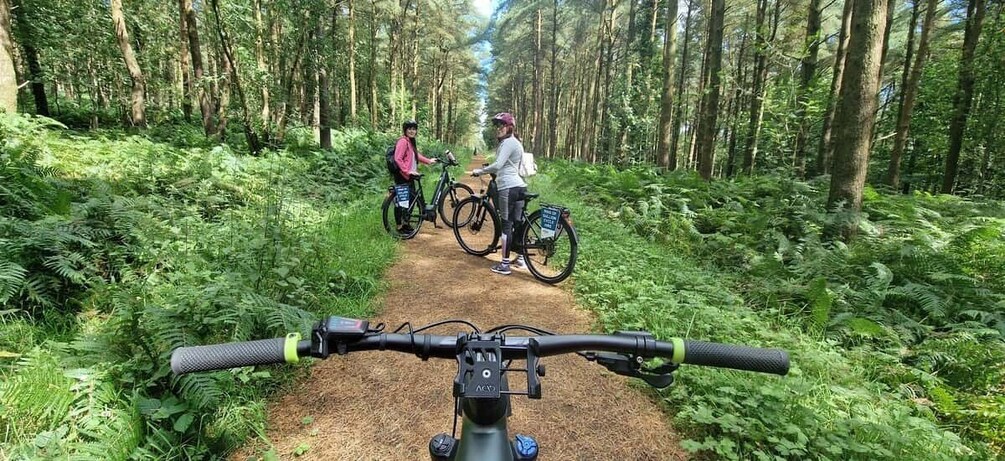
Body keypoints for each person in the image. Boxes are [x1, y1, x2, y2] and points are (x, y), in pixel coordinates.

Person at [472, 112, 527, 275]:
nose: (499, 128)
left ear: (510, 127)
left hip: (508, 188)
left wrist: (480, 171)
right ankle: (521, 258)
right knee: (517, 223)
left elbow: (498, 165)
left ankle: (504, 265)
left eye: (502, 125)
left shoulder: (509, 143)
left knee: (506, 225)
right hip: (520, 186)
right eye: (497, 126)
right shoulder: (515, 142)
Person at [393, 119, 437, 234]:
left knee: (410, 200)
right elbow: (398, 158)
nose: (412, 131)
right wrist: (407, 171)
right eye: (410, 129)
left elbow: (416, 156)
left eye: (414, 129)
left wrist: (429, 161)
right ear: (405, 130)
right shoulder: (403, 141)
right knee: (402, 201)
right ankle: (399, 227)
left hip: (409, 176)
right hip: (403, 176)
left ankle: (405, 223)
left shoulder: (410, 142)